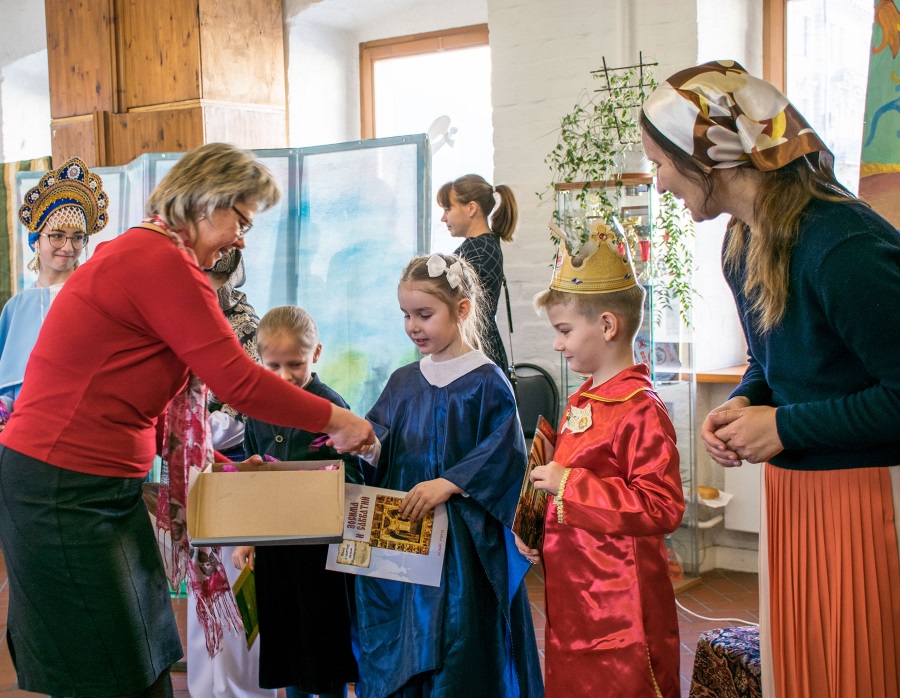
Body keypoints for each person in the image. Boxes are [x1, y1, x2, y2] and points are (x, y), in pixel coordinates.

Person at [0, 142, 374, 698]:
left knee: (145, 657)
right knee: (109, 669)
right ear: (206, 202)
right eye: (241, 220)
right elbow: (238, 381)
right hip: (62, 490)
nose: (241, 239)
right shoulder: (160, 260)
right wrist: (337, 418)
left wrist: (220, 464)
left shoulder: (153, 254)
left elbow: (141, 406)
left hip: (98, 490)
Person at [641, 60, 900, 697]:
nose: (660, 181)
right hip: (796, 496)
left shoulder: (842, 244)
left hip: (868, 499)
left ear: (711, 157)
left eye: (662, 163)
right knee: (802, 672)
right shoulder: (742, 242)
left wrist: (784, 426)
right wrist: (743, 401)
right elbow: (774, 359)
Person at [355, 253, 543, 698]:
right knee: (408, 639)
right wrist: (367, 447)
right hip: (407, 536)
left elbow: (505, 455)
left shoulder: (486, 380)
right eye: (405, 315)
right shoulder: (402, 381)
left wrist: (450, 482)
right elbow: (384, 445)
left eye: (424, 314)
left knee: (457, 644)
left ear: (461, 310)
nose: (413, 326)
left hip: (462, 549)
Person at [516, 224, 684, 696]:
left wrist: (568, 484)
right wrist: (539, 525)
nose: (557, 344)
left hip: (621, 608)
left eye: (565, 331)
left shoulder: (640, 409)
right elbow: (566, 491)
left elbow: (662, 506)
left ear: (607, 326)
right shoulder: (582, 400)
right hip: (574, 597)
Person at [232, 305, 360, 698]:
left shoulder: (332, 408)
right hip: (276, 551)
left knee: (326, 642)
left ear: (316, 353)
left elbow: (354, 476)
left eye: (295, 364)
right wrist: (247, 538)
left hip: (322, 552)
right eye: (273, 366)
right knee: (286, 642)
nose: (284, 376)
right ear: (259, 359)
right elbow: (250, 478)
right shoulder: (257, 410)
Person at [188, 247, 274, 698]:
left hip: (236, 463)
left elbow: (248, 401)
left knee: (237, 577)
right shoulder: (180, 316)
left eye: (216, 280)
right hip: (192, 466)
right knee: (201, 579)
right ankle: (205, 686)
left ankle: (242, 689)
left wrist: (200, 429)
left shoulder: (245, 325)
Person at [0, 156, 108, 423]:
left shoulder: (95, 297)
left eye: (77, 237)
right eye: (57, 236)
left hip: (85, 422)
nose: (68, 247)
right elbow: (8, 389)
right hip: (28, 429)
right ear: (36, 240)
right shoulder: (17, 307)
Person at [437, 174, 517, 372]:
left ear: (471, 208)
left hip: (476, 351)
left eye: (448, 209)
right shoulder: (486, 245)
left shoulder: (476, 251)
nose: (443, 218)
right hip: (483, 348)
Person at [205, 248, 261, 462]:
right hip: (190, 439)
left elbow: (245, 407)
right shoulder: (188, 318)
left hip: (230, 450)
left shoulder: (245, 326)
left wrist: (192, 432)